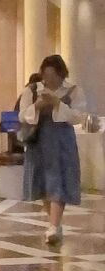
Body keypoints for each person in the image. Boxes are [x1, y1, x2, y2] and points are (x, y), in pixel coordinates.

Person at [18, 55, 86, 245]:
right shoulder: (32, 90)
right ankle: (54, 223)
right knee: (43, 183)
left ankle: (54, 226)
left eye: (53, 76)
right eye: (46, 76)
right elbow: (22, 115)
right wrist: (38, 106)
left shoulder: (73, 91)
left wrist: (57, 104)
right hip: (38, 141)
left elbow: (78, 116)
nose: (49, 80)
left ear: (61, 74)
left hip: (62, 142)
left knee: (59, 181)